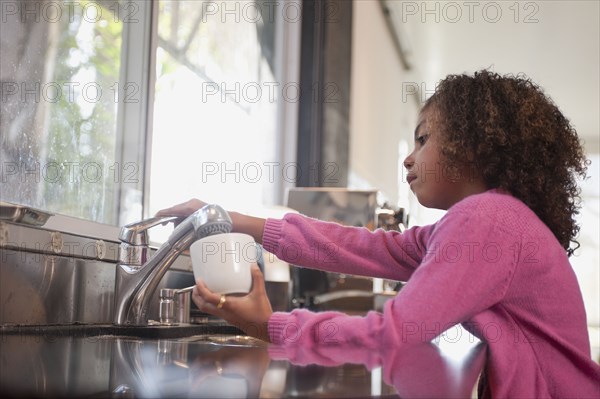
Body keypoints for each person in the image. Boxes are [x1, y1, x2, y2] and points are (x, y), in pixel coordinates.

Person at [157, 70, 600, 398]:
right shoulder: (493, 219)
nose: (408, 160)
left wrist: (268, 325)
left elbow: (394, 336)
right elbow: (368, 247)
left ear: (474, 147)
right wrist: (228, 218)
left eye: (423, 140)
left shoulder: (488, 220)